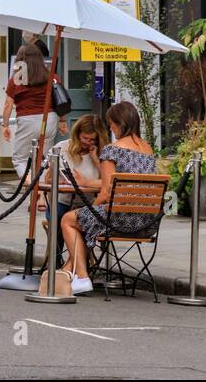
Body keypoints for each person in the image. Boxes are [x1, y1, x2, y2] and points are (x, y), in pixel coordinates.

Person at [60, 102, 158, 296]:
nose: (110, 128)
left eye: (111, 124)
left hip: (118, 219)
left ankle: (81, 276)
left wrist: (90, 212)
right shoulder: (148, 150)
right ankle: (67, 270)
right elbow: (123, 183)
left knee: (69, 219)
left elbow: (106, 192)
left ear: (119, 123)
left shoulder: (112, 150)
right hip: (146, 222)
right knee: (84, 220)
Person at [38, 114, 106, 262]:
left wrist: (95, 159)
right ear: (77, 135)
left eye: (92, 139)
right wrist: (55, 177)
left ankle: (76, 264)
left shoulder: (103, 154)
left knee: (75, 218)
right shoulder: (61, 148)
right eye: (84, 138)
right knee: (57, 215)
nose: (87, 143)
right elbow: (46, 180)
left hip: (88, 203)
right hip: (62, 200)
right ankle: (56, 263)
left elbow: (107, 181)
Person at [1, 43, 67, 179]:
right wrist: (62, 120)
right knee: (44, 159)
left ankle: (31, 185)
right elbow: (60, 99)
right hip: (49, 119)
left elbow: (8, 104)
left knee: (20, 159)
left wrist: (5, 125)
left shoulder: (16, 80)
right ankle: (41, 193)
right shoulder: (52, 77)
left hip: (27, 120)